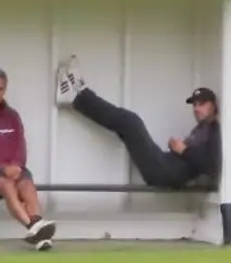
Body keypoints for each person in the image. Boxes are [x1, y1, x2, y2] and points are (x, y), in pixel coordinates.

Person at [54, 59, 220, 188]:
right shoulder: (202, 128)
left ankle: (77, 96)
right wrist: (178, 148)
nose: (197, 109)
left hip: (165, 173)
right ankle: (77, 93)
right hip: (165, 163)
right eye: (195, 105)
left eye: (202, 104)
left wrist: (183, 150)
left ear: (214, 105)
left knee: (130, 122)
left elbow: (211, 166)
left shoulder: (216, 131)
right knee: (126, 125)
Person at [0, 69, 58, 249]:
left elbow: (20, 145)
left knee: (27, 186)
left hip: (15, 167)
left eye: (0, 89)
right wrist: (2, 168)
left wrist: (15, 165)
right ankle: (33, 227)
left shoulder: (12, 116)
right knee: (7, 186)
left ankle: (38, 232)